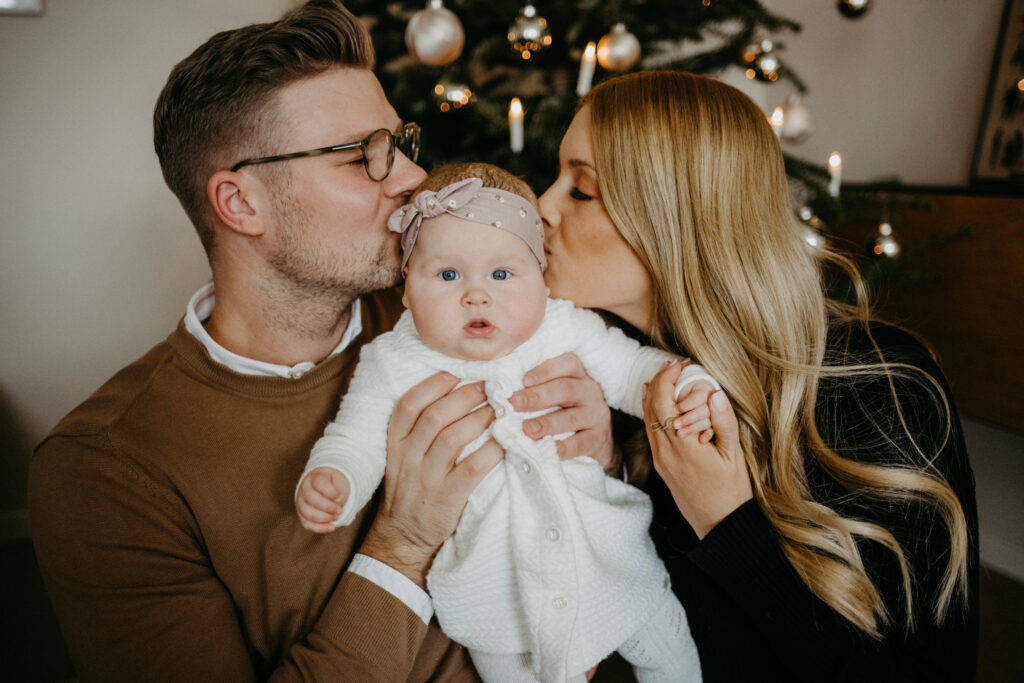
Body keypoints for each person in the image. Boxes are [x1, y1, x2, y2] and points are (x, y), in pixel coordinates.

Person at [27, 2, 616, 681]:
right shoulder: (104, 471)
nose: (412, 180)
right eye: (363, 155)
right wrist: (402, 543)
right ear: (240, 203)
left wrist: (596, 460)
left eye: (400, 144)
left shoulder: (463, 304)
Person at [538, 70, 979, 682]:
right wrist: (606, 472)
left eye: (580, 190)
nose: (542, 206)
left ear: (675, 217)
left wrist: (727, 522)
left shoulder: (879, 386)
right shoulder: (609, 383)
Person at [296, 162, 713, 683]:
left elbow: (636, 372)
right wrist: (335, 478)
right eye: (448, 275)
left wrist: (688, 387)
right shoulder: (392, 361)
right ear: (405, 289)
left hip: (607, 557)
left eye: (502, 274)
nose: (476, 294)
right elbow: (354, 439)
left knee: (668, 654)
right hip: (494, 588)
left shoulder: (562, 325)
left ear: (540, 279)